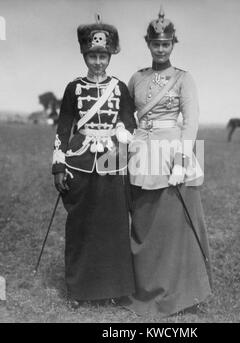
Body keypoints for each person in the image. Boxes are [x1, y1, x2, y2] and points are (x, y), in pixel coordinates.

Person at [124, 8, 212, 317]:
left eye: (166, 44)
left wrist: (180, 161)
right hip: (141, 153)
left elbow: (191, 123)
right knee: (144, 223)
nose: (160, 49)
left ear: (173, 44)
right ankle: (143, 287)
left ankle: (178, 293)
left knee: (173, 228)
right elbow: (125, 115)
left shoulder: (184, 79)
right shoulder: (136, 78)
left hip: (172, 151)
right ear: (148, 44)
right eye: (155, 43)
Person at [52, 14, 136, 307]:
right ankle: (79, 290)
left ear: (110, 55)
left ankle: (115, 288)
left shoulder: (120, 87)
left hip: (113, 160)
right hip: (80, 161)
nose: (98, 61)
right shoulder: (73, 88)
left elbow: (129, 122)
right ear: (85, 55)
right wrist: (58, 165)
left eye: (103, 56)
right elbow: (64, 128)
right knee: (81, 224)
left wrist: (122, 133)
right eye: (92, 55)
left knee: (113, 224)